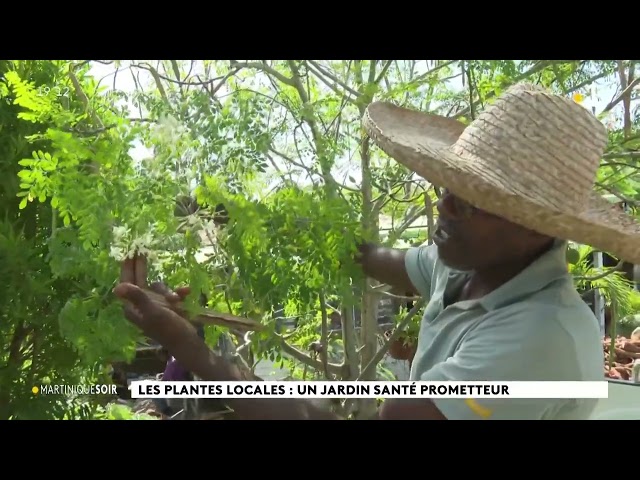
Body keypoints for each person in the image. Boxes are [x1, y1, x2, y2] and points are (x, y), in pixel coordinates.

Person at [113, 83, 640, 420]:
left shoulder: (540, 338)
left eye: (473, 201)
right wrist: (243, 217)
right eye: (446, 186)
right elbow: (371, 258)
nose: (444, 207)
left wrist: (193, 350)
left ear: (534, 229)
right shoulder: (473, 267)